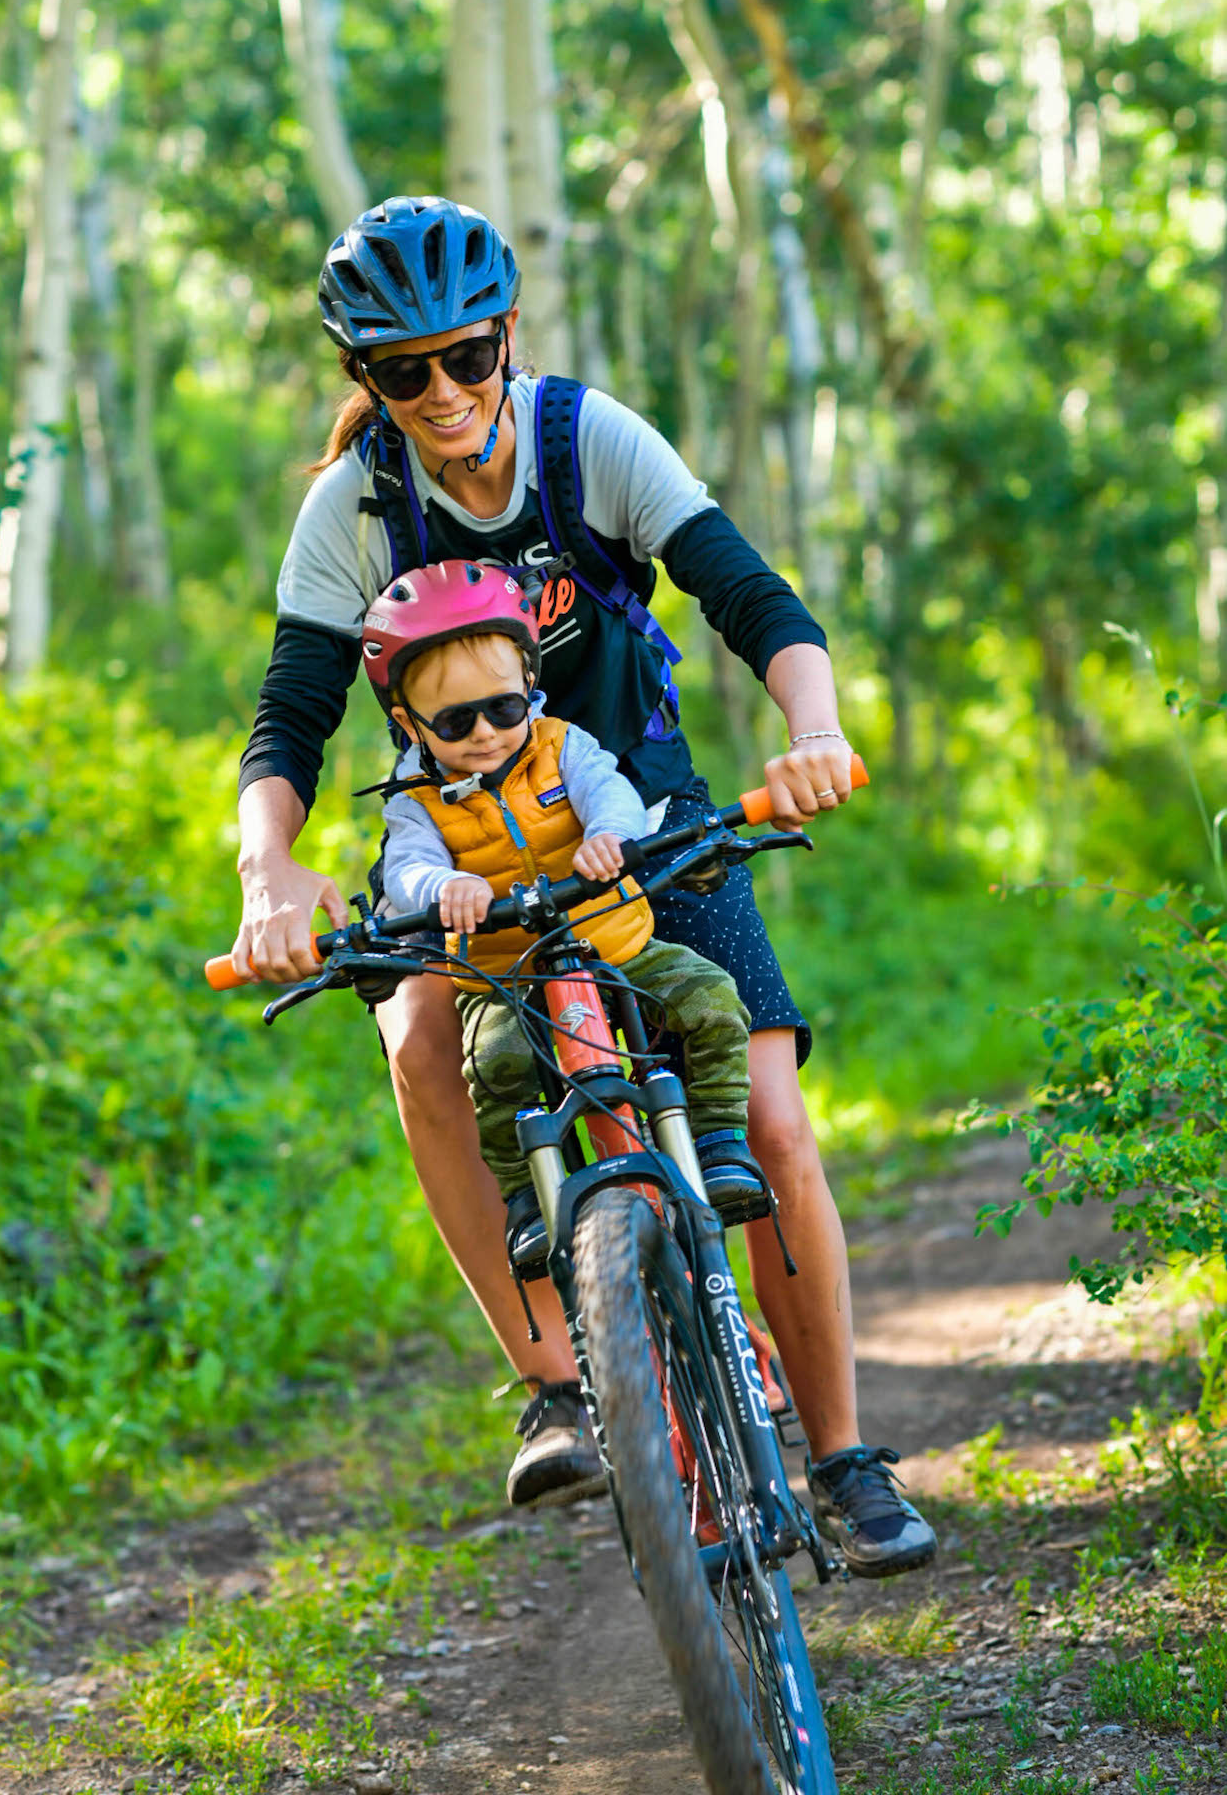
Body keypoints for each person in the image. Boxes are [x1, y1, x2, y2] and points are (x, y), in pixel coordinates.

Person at [234, 193, 936, 1576]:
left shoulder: (584, 439)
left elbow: (755, 602)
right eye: (399, 369)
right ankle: (555, 1380)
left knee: (777, 1124)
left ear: (506, 336)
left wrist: (813, 731)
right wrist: (270, 868)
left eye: (465, 356)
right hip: (460, 862)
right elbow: (290, 716)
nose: (440, 392)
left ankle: (845, 1459)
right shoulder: (354, 508)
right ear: (361, 377)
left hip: (642, 819)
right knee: (418, 1042)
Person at [362, 558, 762, 1504]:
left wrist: (608, 835)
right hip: (511, 977)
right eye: (454, 724)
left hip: (617, 945)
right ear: (412, 727)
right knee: (493, 1062)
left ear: (531, 690)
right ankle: (526, 1208)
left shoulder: (564, 747)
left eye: (502, 709)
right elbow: (405, 875)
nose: (486, 736)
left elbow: (616, 791)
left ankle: (722, 1142)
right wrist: (439, 890)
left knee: (706, 999)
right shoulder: (415, 805)